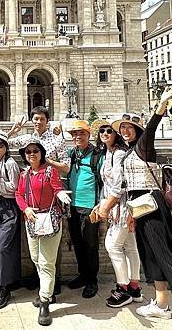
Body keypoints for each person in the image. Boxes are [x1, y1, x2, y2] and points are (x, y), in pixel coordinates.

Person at [112, 83, 172, 330]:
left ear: (137, 130)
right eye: (122, 128)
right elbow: (127, 187)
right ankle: (161, 305)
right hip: (138, 206)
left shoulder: (144, 146)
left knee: (167, 257)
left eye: (129, 128)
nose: (124, 131)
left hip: (153, 205)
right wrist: (130, 214)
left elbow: (152, 127)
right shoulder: (127, 152)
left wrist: (162, 104)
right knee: (150, 256)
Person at [8, 106, 69, 294]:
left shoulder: (57, 140)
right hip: (33, 195)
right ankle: (42, 279)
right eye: (35, 118)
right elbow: (4, 144)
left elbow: (66, 167)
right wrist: (14, 130)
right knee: (36, 249)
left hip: (51, 194)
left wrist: (45, 163)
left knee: (51, 245)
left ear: (47, 121)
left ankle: (53, 282)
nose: (37, 121)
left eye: (41, 118)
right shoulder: (28, 139)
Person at [15, 138, 71, 326]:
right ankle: (46, 291)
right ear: (24, 155)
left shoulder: (50, 171)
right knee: (36, 259)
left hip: (49, 219)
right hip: (32, 220)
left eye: (35, 151)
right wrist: (26, 209)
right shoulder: (25, 174)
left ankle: (45, 301)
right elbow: (19, 194)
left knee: (47, 262)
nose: (32, 154)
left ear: (41, 153)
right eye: (28, 151)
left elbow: (57, 188)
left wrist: (60, 194)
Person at [92, 123, 142, 308]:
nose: (105, 133)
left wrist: (106, 206)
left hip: (121, 206)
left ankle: (123, 289)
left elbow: (119, 185)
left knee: (112, 245)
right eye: (102, 131)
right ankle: (135, 288)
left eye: (109, 131)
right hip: (117, 205)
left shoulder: (119, 153)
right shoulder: (109, 153)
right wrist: (102, 203)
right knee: (129, 246)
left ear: (115, 135)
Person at [64, 120, 103, 298]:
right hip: (73, 205)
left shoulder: (97, 155)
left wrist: (100, 204)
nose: (77, 137)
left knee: (90, 244)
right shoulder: (72, 153)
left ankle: (92, 280)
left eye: (81, 133)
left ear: (88, 135)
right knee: (77, 242)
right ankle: (83, 274)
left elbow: (105, 181)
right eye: (74, 134)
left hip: (91, 206)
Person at [0, 131, 22, 309]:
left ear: (6, 147)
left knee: (4, 246)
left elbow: (14, 188)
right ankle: (8, 279)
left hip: (9, 206)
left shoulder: (10, 163)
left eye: (0, 145)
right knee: (1, 245)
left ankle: (3, 287)